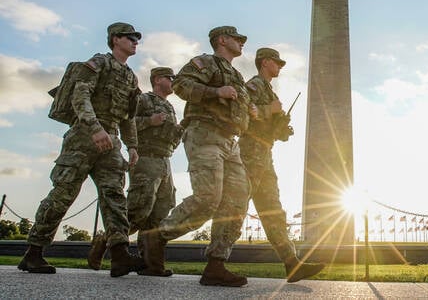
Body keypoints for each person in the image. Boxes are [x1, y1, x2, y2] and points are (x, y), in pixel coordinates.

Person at [19, 22, 144, 277]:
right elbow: (80, 96)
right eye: (130, 37)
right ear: (115, 39)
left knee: (114, 195)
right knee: (64, 193)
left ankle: (120, 255)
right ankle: (33, 253)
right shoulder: (99, 63)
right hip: (84, 136)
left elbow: (129, 116)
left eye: (136, 38)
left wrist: (132, 145)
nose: (135, 41)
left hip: (111, 140)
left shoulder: (131, 76)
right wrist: (94, 127)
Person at [143, 26, 256, 287]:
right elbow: (181, 84)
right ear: (222, 40)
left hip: (230, 141)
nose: (241, 43)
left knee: (237, 200)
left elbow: (236, 103)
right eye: (237, 39)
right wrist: (216, 92)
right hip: (204, 134)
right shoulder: (205, 62)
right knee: (208, 198)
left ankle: (216, 264)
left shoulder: (237, 76)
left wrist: (249, 110)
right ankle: (158, 235)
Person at [239, 48, 325, 282]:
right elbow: (243, 113)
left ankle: (292, 264)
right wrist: (271, 111)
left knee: (273, 211)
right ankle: (215, 262)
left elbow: (265, 122)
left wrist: (281, 128)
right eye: (277, 63)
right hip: (250, 152)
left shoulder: (268, 90)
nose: (280, 67)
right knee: (236, 206)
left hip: (265, 153)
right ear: (265, 62)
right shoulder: (254, 86)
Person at [87, 67, 183, 276]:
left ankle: (151, 264)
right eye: (170, 78)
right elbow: (126, 124)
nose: (173, 81)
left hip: (165, 159)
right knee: (139, 209)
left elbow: (170, 136)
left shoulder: (169, 106)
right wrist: (149, 121)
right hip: (145, 159)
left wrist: (179, 130)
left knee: (160, 212)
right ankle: (106, 241)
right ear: (158, 80)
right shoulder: (143, 100)